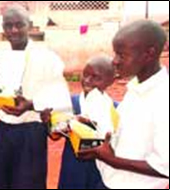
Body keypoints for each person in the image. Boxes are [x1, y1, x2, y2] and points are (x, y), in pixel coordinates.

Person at [78, 20, 169, 189]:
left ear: (148, 54)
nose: (114, 61)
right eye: (115, 54)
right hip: (109, 181)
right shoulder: (135, 89)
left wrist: (111, 159)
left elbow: (164, 167)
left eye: (122, 55)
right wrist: (90, 126)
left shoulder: (163, 98)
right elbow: (122, 135)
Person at [0, 5, 72, 189]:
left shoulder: (49, 59)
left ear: (30, 26)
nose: (14, 30)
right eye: (8, 26)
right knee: (1, 182)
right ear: (3, 29)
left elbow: (60, 97)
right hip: (4, 131)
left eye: (19, 25)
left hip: (31, 132)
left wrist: (32, 105)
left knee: (29, 184)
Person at [52, 55, 117, 189]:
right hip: (72, 170)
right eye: (85, 75)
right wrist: (70, 122)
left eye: (96, 77)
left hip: (101, 173)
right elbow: (53, 133)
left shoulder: (116, 109)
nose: (87, 81)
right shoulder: (69, 102)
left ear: (111, 80)